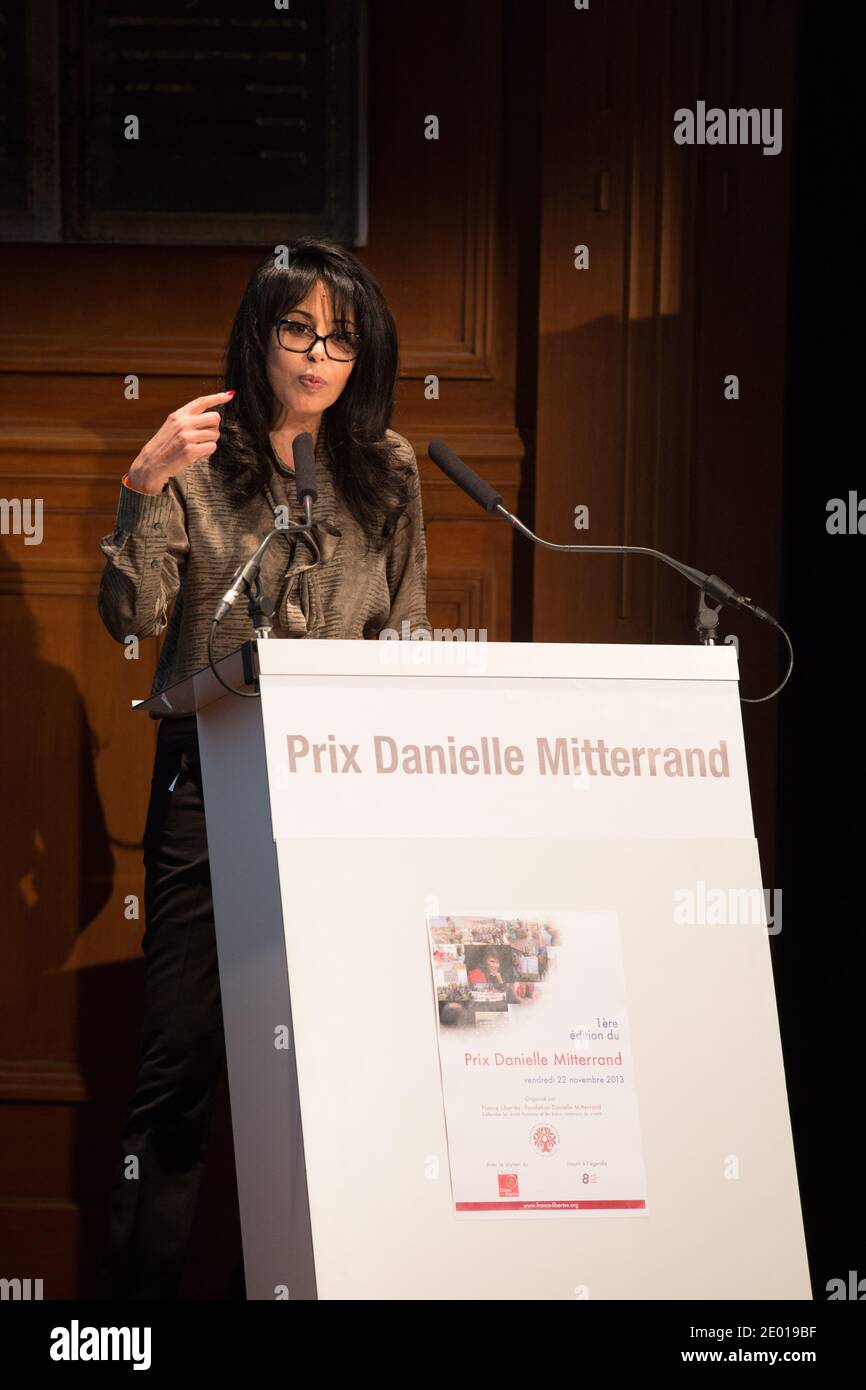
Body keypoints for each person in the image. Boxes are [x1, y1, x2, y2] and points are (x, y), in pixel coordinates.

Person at [93, 239, 432, 1299]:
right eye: (298, 329)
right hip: (209, 780)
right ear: (262, 334)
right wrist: (142, 484)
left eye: (339, 335)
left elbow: (405, 633)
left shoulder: (390, 471)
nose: (319, 353)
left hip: (340, 789)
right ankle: (136, 1309)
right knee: (183, 1056)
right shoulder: (191, 465)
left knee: (325, 1069)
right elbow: (131, 618)